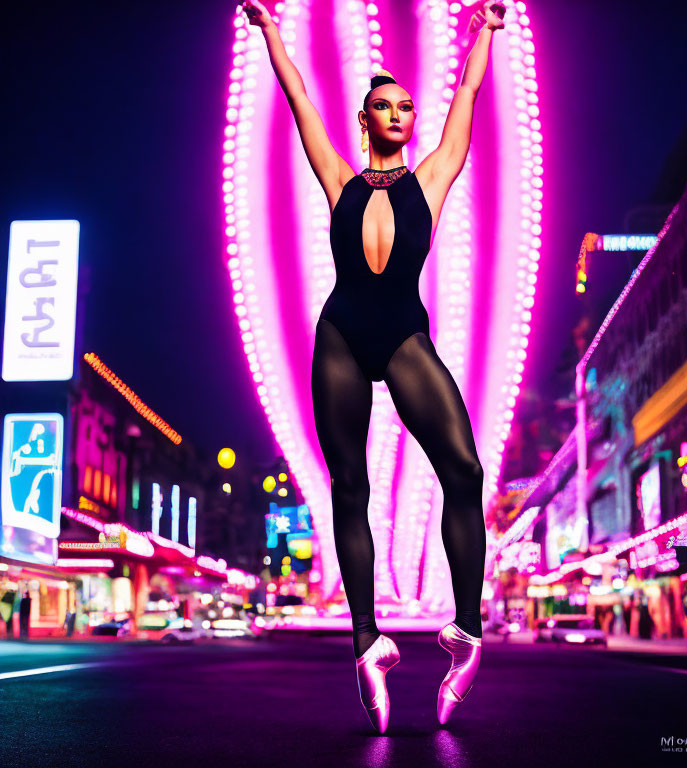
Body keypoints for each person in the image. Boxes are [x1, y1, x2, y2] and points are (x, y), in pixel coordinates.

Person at [240, 0, 507, 732]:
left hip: (403, 336)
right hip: (341, 337)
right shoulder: (338, 177)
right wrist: (269, 31)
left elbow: (468, 97)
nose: (400, 114)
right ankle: (367, 640)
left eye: (406, 107)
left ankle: (466, 628)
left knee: (466, 471)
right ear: (365, 119)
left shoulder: (432, 177)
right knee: (349, 486)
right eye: (384, 107)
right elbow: (298, 96)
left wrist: (481, 29)